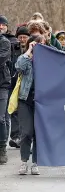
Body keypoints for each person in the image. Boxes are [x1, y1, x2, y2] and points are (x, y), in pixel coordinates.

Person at [16, 35, 47, 175]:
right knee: (26, 132)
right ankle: (24, 161)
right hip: (25, 99)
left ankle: (35, 162)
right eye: (37, 44)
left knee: (38, 133)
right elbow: (19, 66)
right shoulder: (27, 59)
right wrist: (29, 50)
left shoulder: (48, 60)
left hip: (41, 101)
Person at [0, 16, 11, 164]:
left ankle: (2, 147)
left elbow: (1, 59)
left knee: (0, 118)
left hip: (1, 84)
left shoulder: (4, 42)